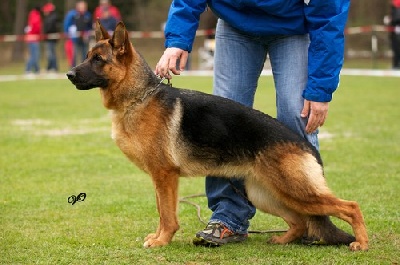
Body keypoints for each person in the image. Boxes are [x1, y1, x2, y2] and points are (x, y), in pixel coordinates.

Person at [156, 0, 350, 246]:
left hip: (295, 26)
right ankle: (228, 217)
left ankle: (312, 219)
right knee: (220, 121)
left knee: (297, 112)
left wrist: (320, 89)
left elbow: (329, 13)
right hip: (235, 24)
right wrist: (176, 41)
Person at [63, 1, 92, 67]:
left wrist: (87, 33)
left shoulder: (87, 15)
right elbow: (67, 25)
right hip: (74, 38)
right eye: (81, 6)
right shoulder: (72, 14)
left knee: (84, 54)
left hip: (84, 38)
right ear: (77, 7)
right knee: (74, 54)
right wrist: (67, 33)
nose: (83, 8)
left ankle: (84, 68)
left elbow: (90, 26)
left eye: (84, 7)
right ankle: (72, 68)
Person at [25, 6, 42, 74]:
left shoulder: (31, 14)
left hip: (30, 37)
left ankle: (37, 69)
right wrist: (38, 33)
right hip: (34, 37)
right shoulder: (36, 16)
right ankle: (28, 69)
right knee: (34, 55)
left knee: (34, 54)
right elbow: (36, 27)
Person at [42, 2, 59, 72]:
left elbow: (48, 28)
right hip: (52, 38)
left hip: (50, 38)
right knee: (52, 53)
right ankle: (53, 67)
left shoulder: (50, 18)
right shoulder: (54, 17)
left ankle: (51, 68)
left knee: (50, 54)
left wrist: (45, 33)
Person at [390, 0, 400, 69]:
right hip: (395, 32)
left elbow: (396, 19)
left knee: (396, 48)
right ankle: (396, 64)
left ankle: (396, 65)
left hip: (396, 34)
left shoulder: (396, 9)